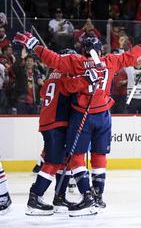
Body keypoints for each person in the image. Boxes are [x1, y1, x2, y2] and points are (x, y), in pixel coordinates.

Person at [14, 31, 141, 216]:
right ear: (100, 50)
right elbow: (130, 57)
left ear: (81, 50)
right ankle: (96, 197)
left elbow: (53, 60)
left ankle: (86, 196)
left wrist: (35, 44)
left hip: (82, 115)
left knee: (74, 156)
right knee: (97, 156)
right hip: (103, 115)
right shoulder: (110, 60)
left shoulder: (75, 62)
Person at [25, 49, 88, 216]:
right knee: (53, 162)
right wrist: (87, 79)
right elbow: (72, 88)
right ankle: (35, 198)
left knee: (63, 160)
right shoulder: (65, 74)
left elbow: (43, 93)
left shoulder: (52, 75)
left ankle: (60, 197)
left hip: (50, 122)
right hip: (56, 122)